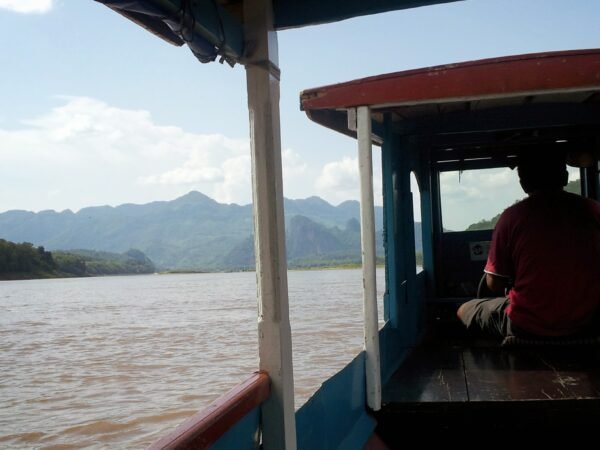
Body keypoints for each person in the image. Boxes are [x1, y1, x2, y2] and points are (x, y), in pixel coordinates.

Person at [457, 149, 600, 338]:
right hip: (588, 322)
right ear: (565, 177)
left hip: (526, 324)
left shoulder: (510, 218)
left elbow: (493, 285)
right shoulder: (594, 211)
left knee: (464, 310)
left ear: (524, 183)